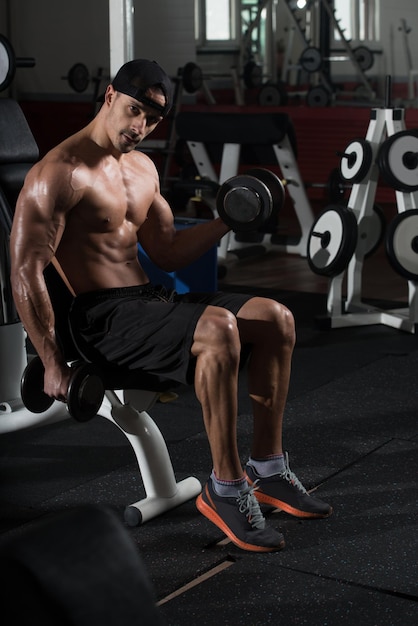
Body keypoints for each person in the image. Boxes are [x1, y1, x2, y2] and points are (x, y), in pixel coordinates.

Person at [10, 59, 332, 553]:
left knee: (276, 319)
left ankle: (268, 469)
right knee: (219, 327)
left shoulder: (142, 169)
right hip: (97, 319)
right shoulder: (57, 173)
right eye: (135, 111)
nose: (141, 128)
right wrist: (52, 362)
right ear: (110, 96)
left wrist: (227, 219)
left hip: (146, 301)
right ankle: (226, 488)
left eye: (153, 120)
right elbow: (26, 269)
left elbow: (167, 252)